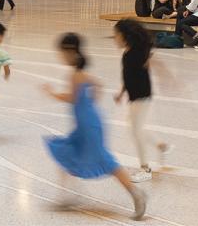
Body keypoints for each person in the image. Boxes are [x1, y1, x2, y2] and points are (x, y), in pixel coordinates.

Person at [42, 33, 146, 220]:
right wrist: (90, 105)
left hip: (88, 127)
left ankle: (136, 193)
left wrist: (52, 93)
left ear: (70, 52)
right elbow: (98, 85)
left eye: (62, 53)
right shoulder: (81, 74)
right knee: (68, 152)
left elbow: (72, 98)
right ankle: (69, 196)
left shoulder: (75, 75)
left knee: (107, 162)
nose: (60, 57)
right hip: (87, 124)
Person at [113, 19, 171, 182]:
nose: (114, 39)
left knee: (135, 130)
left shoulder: (137, 53)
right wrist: (121, 92)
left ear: (125, 36)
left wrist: (168, 79)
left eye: (116, 35)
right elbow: (128, 76)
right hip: (136, 96)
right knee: (135, 127)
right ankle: (160, 145)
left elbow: (154, 63)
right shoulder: (128, 53)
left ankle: (145, 169)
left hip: (141, 96)